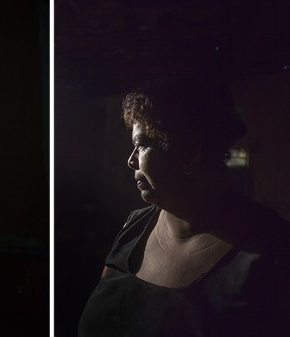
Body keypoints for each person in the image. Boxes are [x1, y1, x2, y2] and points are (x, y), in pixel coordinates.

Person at [78, 79, 290, 336]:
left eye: (144, 144)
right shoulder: (133, 228)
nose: (131, 160)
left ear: (190, 150)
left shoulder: (272, 250)